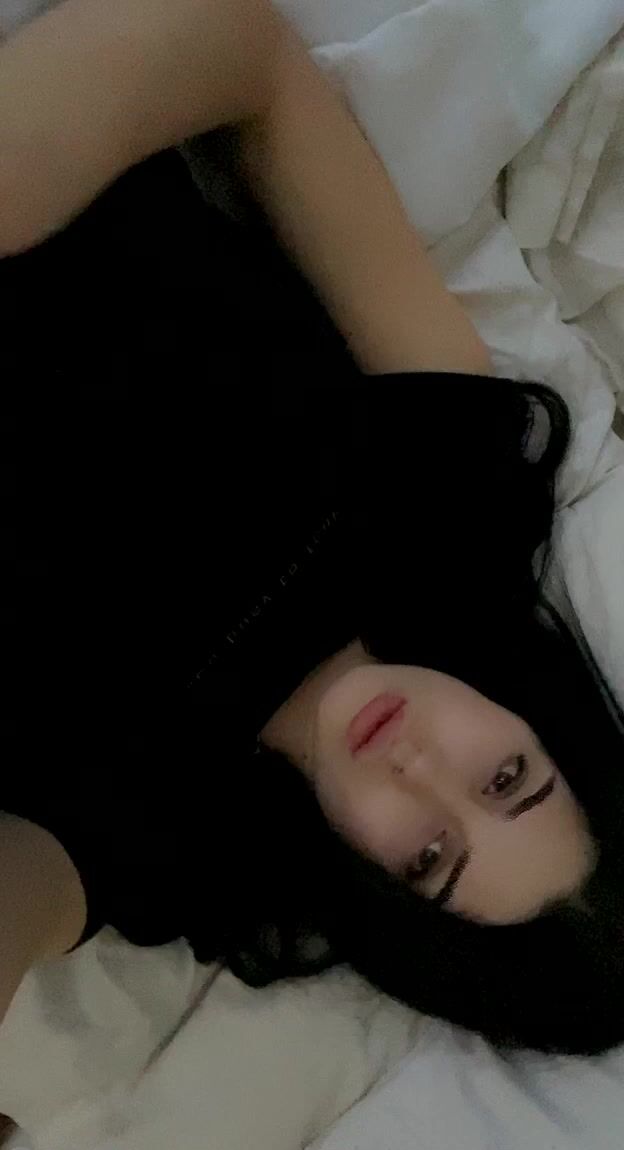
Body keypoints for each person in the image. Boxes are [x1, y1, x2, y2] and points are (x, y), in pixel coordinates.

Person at [0, 0, 623, 1059]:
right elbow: (252, 61)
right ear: (545, 727)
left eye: (429, 857)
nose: (421, 767)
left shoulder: (170, 832)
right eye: (506, 778)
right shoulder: (453, 506)